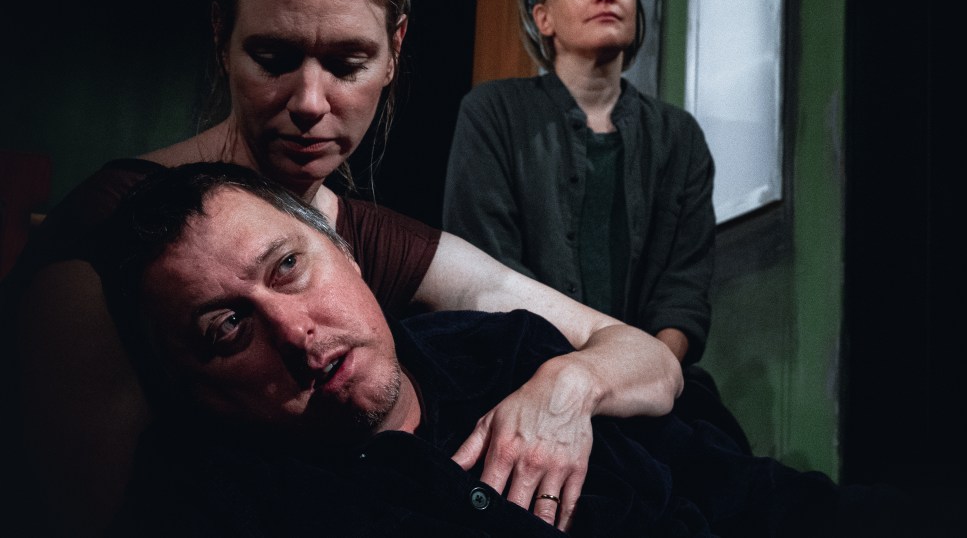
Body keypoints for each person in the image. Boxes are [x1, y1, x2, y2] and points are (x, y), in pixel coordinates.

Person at [3, 0, 680, 535]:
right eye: (274, 58)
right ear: (221, 36)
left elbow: (644, 357)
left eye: (347, 63)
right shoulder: (101, 242)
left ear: (394, 51)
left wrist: (567, 388)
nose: (309, 102)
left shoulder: (369, 233)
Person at [100, 161, 910, 537]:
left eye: (288, 267)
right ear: (193, 389)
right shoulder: (216, 504)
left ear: (347, 252)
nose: (295, 333)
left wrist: (573, 382)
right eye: (226, 330)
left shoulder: (503, 349)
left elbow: (757, 498)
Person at [442, 0, 746, 446]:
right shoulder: (492, 112)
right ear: (543, 18)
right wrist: (575, 378)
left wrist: (638, 375)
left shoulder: (679, 137)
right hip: (523, 377)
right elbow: (487, 268)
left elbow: (683, 292)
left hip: (651, 393)